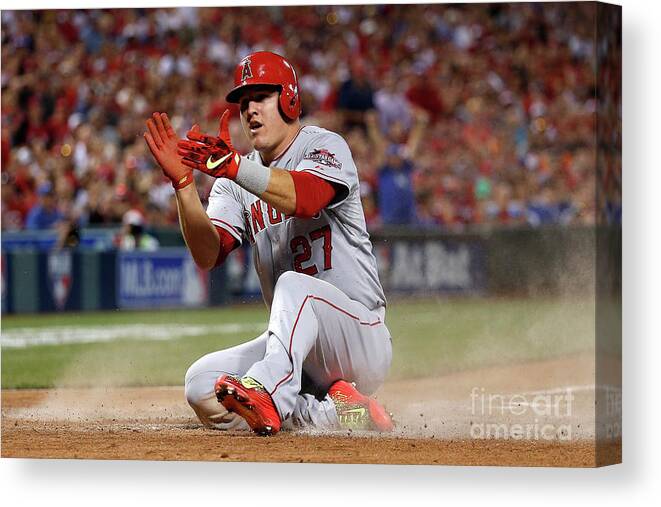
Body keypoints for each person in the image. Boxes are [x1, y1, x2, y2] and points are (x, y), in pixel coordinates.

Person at [144, 51, 393, 435]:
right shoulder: (233, 176)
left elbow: (305, 197)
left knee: (292, 285)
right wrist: (184, 188)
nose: (250, 110)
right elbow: (208, 254)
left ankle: (270, 392)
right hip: (298, 353)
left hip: (358, 336)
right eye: (244, 102)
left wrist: (236, 168)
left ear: (290, 98)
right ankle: (341, 412)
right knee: (200, 385)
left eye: (261, 96)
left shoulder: (324, 145)